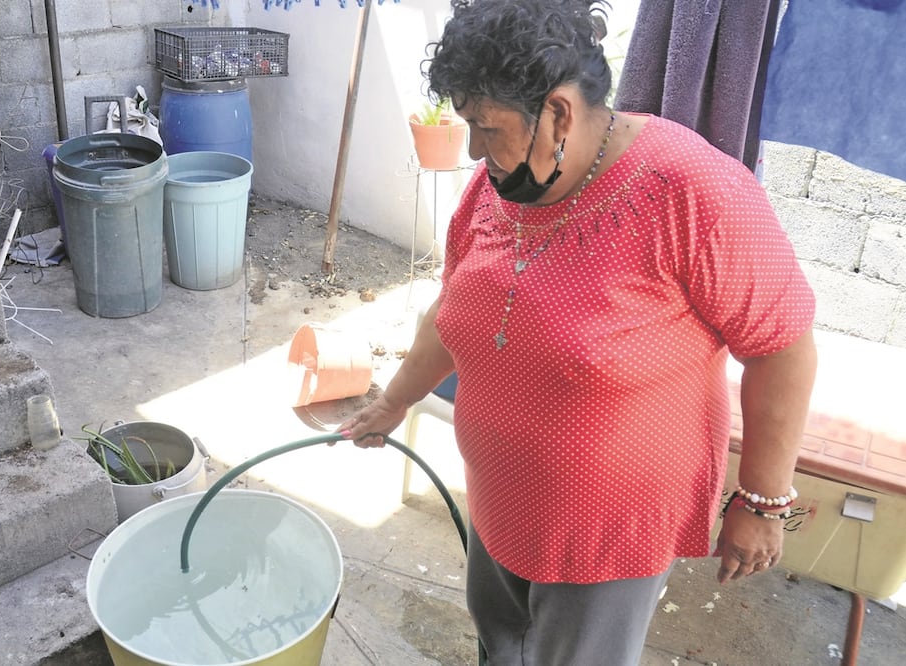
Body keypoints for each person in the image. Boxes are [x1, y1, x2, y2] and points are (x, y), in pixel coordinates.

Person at [337, 0, 818, 663]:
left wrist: (762, 501)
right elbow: (452, 311)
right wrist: (395, 399)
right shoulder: (498, 186)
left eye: (485, 127)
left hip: (608, 531)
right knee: (499, 646)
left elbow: (782, 349)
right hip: (500, 501)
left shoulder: (695, 194)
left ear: (558, 112)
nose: (474, 150)